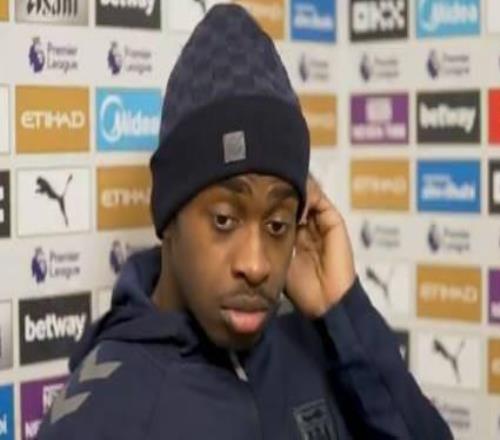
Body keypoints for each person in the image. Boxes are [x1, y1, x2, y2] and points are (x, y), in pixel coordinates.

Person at [38, 5, 452, 439]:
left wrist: (342, 310)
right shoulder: (106, 411)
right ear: (169, 216)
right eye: (224, 220)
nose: (256, 265)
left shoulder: (318, 343)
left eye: (277, 225)